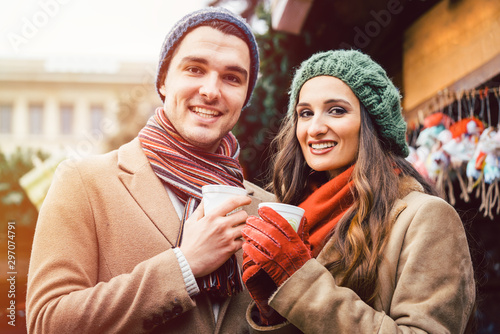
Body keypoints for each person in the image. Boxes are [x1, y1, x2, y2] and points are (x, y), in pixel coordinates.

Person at [26, 7, 274, 333]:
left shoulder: (266, 207)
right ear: (163, 81)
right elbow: (48, 322)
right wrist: (184, 265)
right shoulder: (83, 182)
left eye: (232, 78)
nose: (211, 91)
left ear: (245, 97)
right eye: (195, 69)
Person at [241, 50, 476, 333]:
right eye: (305, 113)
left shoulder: (425, 217)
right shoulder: (294, 211)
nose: (315, 128)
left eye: (337, 110)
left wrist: (300, 284)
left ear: (373, 124)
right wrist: (272, 310)